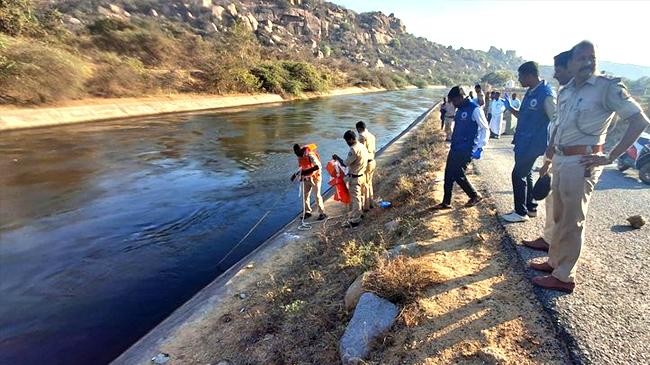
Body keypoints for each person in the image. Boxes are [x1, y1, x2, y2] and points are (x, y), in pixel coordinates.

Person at [530, 41, 649, 293]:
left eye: (591, 57)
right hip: (561, 160)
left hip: (582, 162)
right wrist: (550, 152)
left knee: (573, 220)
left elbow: (638, 121)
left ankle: (564, 277)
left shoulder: (607, 88)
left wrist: (611, 156)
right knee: (559, 216)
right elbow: (560, 124)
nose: (587, 62)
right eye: (581, 58)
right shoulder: (567, 90)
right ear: (571, 63)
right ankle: (555, 262)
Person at [523, 50, 573, 251]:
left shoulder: (551, 95)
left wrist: (607, 155)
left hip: (572, 156)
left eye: (558, 70)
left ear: (571, 68)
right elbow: (557, 126)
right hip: (555, 152)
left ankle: (562, 254)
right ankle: (549, 240)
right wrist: (548, 158)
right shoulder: (566, 93)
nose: (554, 75)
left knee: (569, 209)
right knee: (553, 200)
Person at [500, 61, 555, 223]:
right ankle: (531, 207)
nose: (519, 80)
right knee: (527, 174)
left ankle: (520, 212)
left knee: (517, 175)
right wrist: (510, 108)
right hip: (523, 141)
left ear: (529, 75)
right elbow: (523, 117)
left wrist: (552, 149)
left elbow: (556, 120)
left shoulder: (546, 94)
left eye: (520, 76)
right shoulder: (531, 92)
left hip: (533, 143)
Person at [432, 86, 488, 210]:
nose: (453, 104)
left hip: (467, 149)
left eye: (454, 101)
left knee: (458, 173)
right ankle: (446, 202)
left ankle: (474, 195)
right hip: (456, 147)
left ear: (461, 97)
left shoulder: (475, 109)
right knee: (448, 174)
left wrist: (480, 147)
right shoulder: (460, 109)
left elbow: (484, 128)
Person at [333, 130, 368, 228]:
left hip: (355, 177)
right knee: (359, 197)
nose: (347, 143)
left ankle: (356, 220)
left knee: (356, 199)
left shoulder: (354, 149)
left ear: (352, 139)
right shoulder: (362, 146)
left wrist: (337, 158)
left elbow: (345, 163)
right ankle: (359, 214)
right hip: (362, 175)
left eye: (348, 141)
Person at [291, 143, 327, 221]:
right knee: (305, 196)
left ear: (300, 150)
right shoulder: (299, 157)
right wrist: (295, 175)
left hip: (315, 178)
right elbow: (301, 168)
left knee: (317, 196)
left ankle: (322, 213)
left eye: (298, 153)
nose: (297, 155)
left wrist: (305, 172)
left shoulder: (310, 155)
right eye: (296, 154)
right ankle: (307, 212)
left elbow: (318, 166)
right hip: (306, 179)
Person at [356, 121, 377, 211]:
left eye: (357, 130)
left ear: (359, 128)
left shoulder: (362, 137)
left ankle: (366, 207)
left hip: (366, 163)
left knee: (364, 185)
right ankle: (371, 203)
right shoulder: (372, 136)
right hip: (372, 161)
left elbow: (361, 151)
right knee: (369, 183)